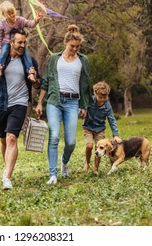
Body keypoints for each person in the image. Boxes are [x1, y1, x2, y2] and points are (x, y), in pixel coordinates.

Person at [0, 29, 42, 190]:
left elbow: (39, 83)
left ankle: (7, 178)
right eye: (19, 42)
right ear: (11, 43)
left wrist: (34, 78)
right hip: (2, 104)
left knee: (11, 138)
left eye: (25, 42)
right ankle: (7, 169)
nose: (22, 45)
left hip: (20, 103)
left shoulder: (29, 61)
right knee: (3, 139)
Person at [35, 24, 92, 185]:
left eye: (77, 46)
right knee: (53, 137)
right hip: (55, 101)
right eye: (72, 46)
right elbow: (46, 82)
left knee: (71, 142)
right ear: (65, 43)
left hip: (73, 102)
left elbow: (86, 84)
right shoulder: (54, 59)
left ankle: (64, 161)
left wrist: (84, 106)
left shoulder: (83, 60)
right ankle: (53, 174)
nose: (75, 49)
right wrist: (40, 102)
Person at [0, 1, 44, 82]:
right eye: (9, 14)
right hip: (7, 42)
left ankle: (31, 73)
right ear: (5, 15)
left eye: (13, 12)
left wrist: (36, 20)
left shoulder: (20, 20)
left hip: (19, 43)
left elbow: (30, 24)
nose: (12, 15)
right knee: (4, 52)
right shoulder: (2, 24)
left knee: (27, 54)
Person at [82, 81, 122, 174]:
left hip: (100, 129)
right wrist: (81, 111)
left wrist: (115, 135)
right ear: (95, 94)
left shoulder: (107, 105)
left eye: (105, 97)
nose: (102, 99)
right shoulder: (90, 100)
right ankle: (87, 163)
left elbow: (112, 120)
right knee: (89, 146)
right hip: (88, 127)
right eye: (100, 97)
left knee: (99, 148)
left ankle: (96, 168)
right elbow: (82, 107)